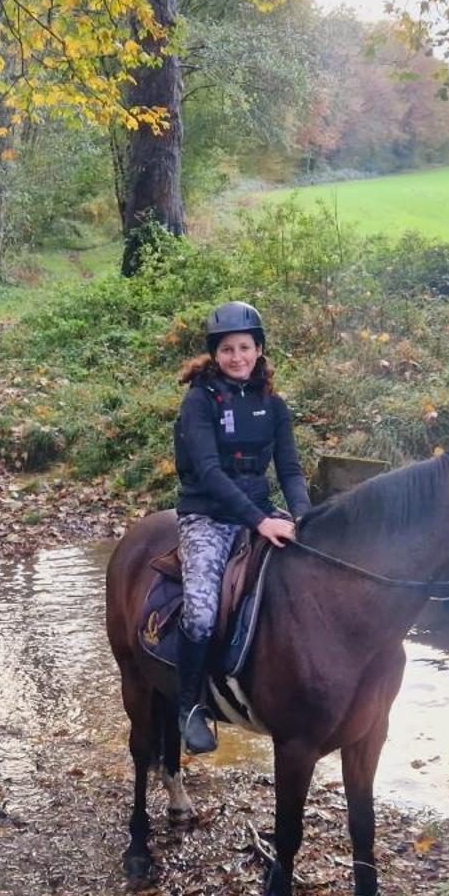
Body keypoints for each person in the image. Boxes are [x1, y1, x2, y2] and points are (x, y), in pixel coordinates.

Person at [171, 300, 311, 753]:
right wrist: (260, 520)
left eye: (245, 347)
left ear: (259, 349)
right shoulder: (199, 402)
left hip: (261, 513)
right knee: (200, 610)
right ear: (215, 354)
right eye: (227, 349)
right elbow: (209, 472)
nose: (237, 357)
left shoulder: (274, 404)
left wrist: (305, 517)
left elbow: (289, 469)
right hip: (208, 517)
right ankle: (190, 706)